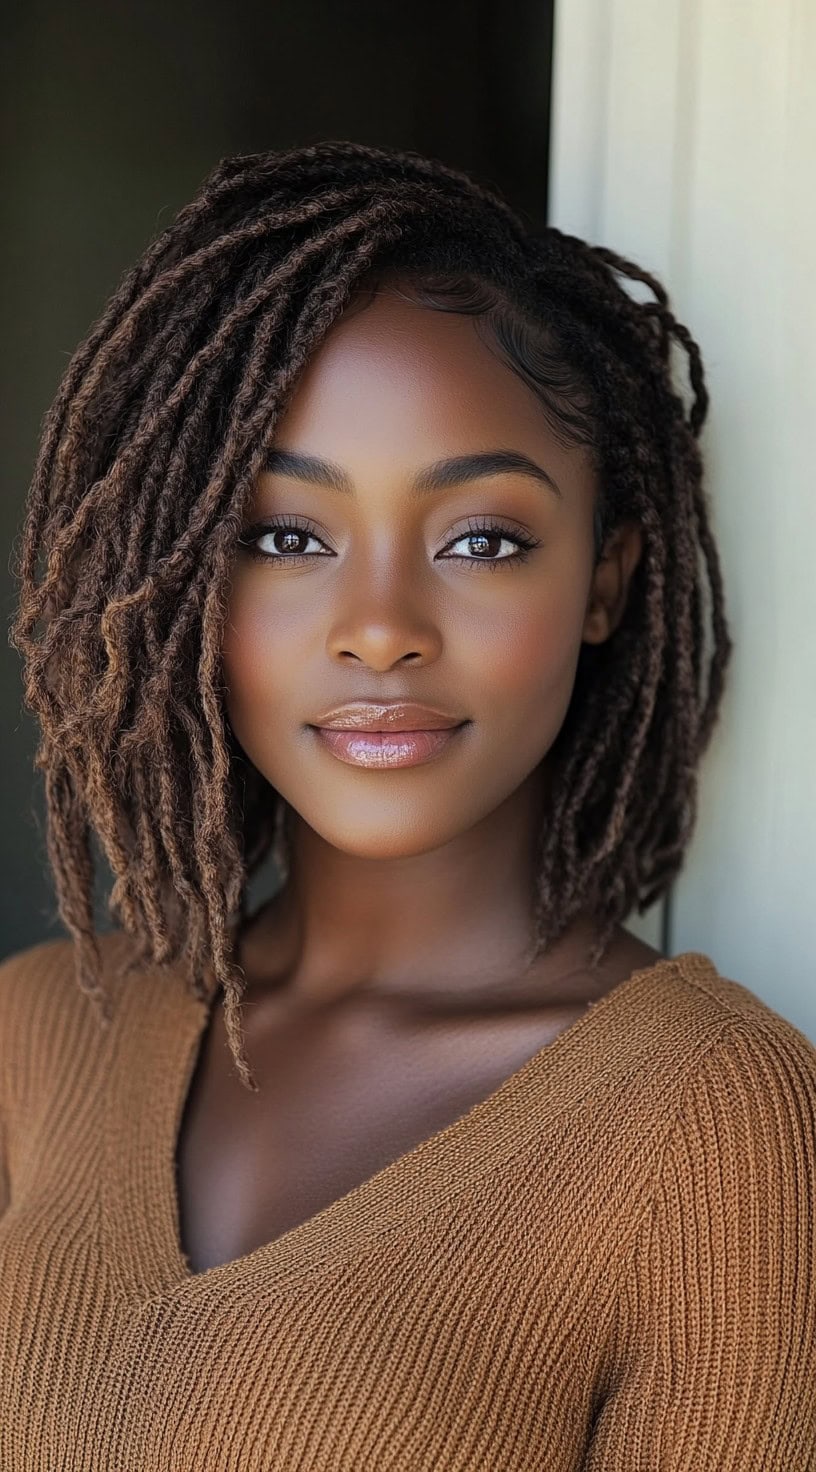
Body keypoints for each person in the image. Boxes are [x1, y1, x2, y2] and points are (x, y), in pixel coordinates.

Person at [2, 139, 814, 1469]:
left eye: (481, 541)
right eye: (286, 537)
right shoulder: (39, 1036)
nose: (379, 629)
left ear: (606, 580)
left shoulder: (717, 1125)